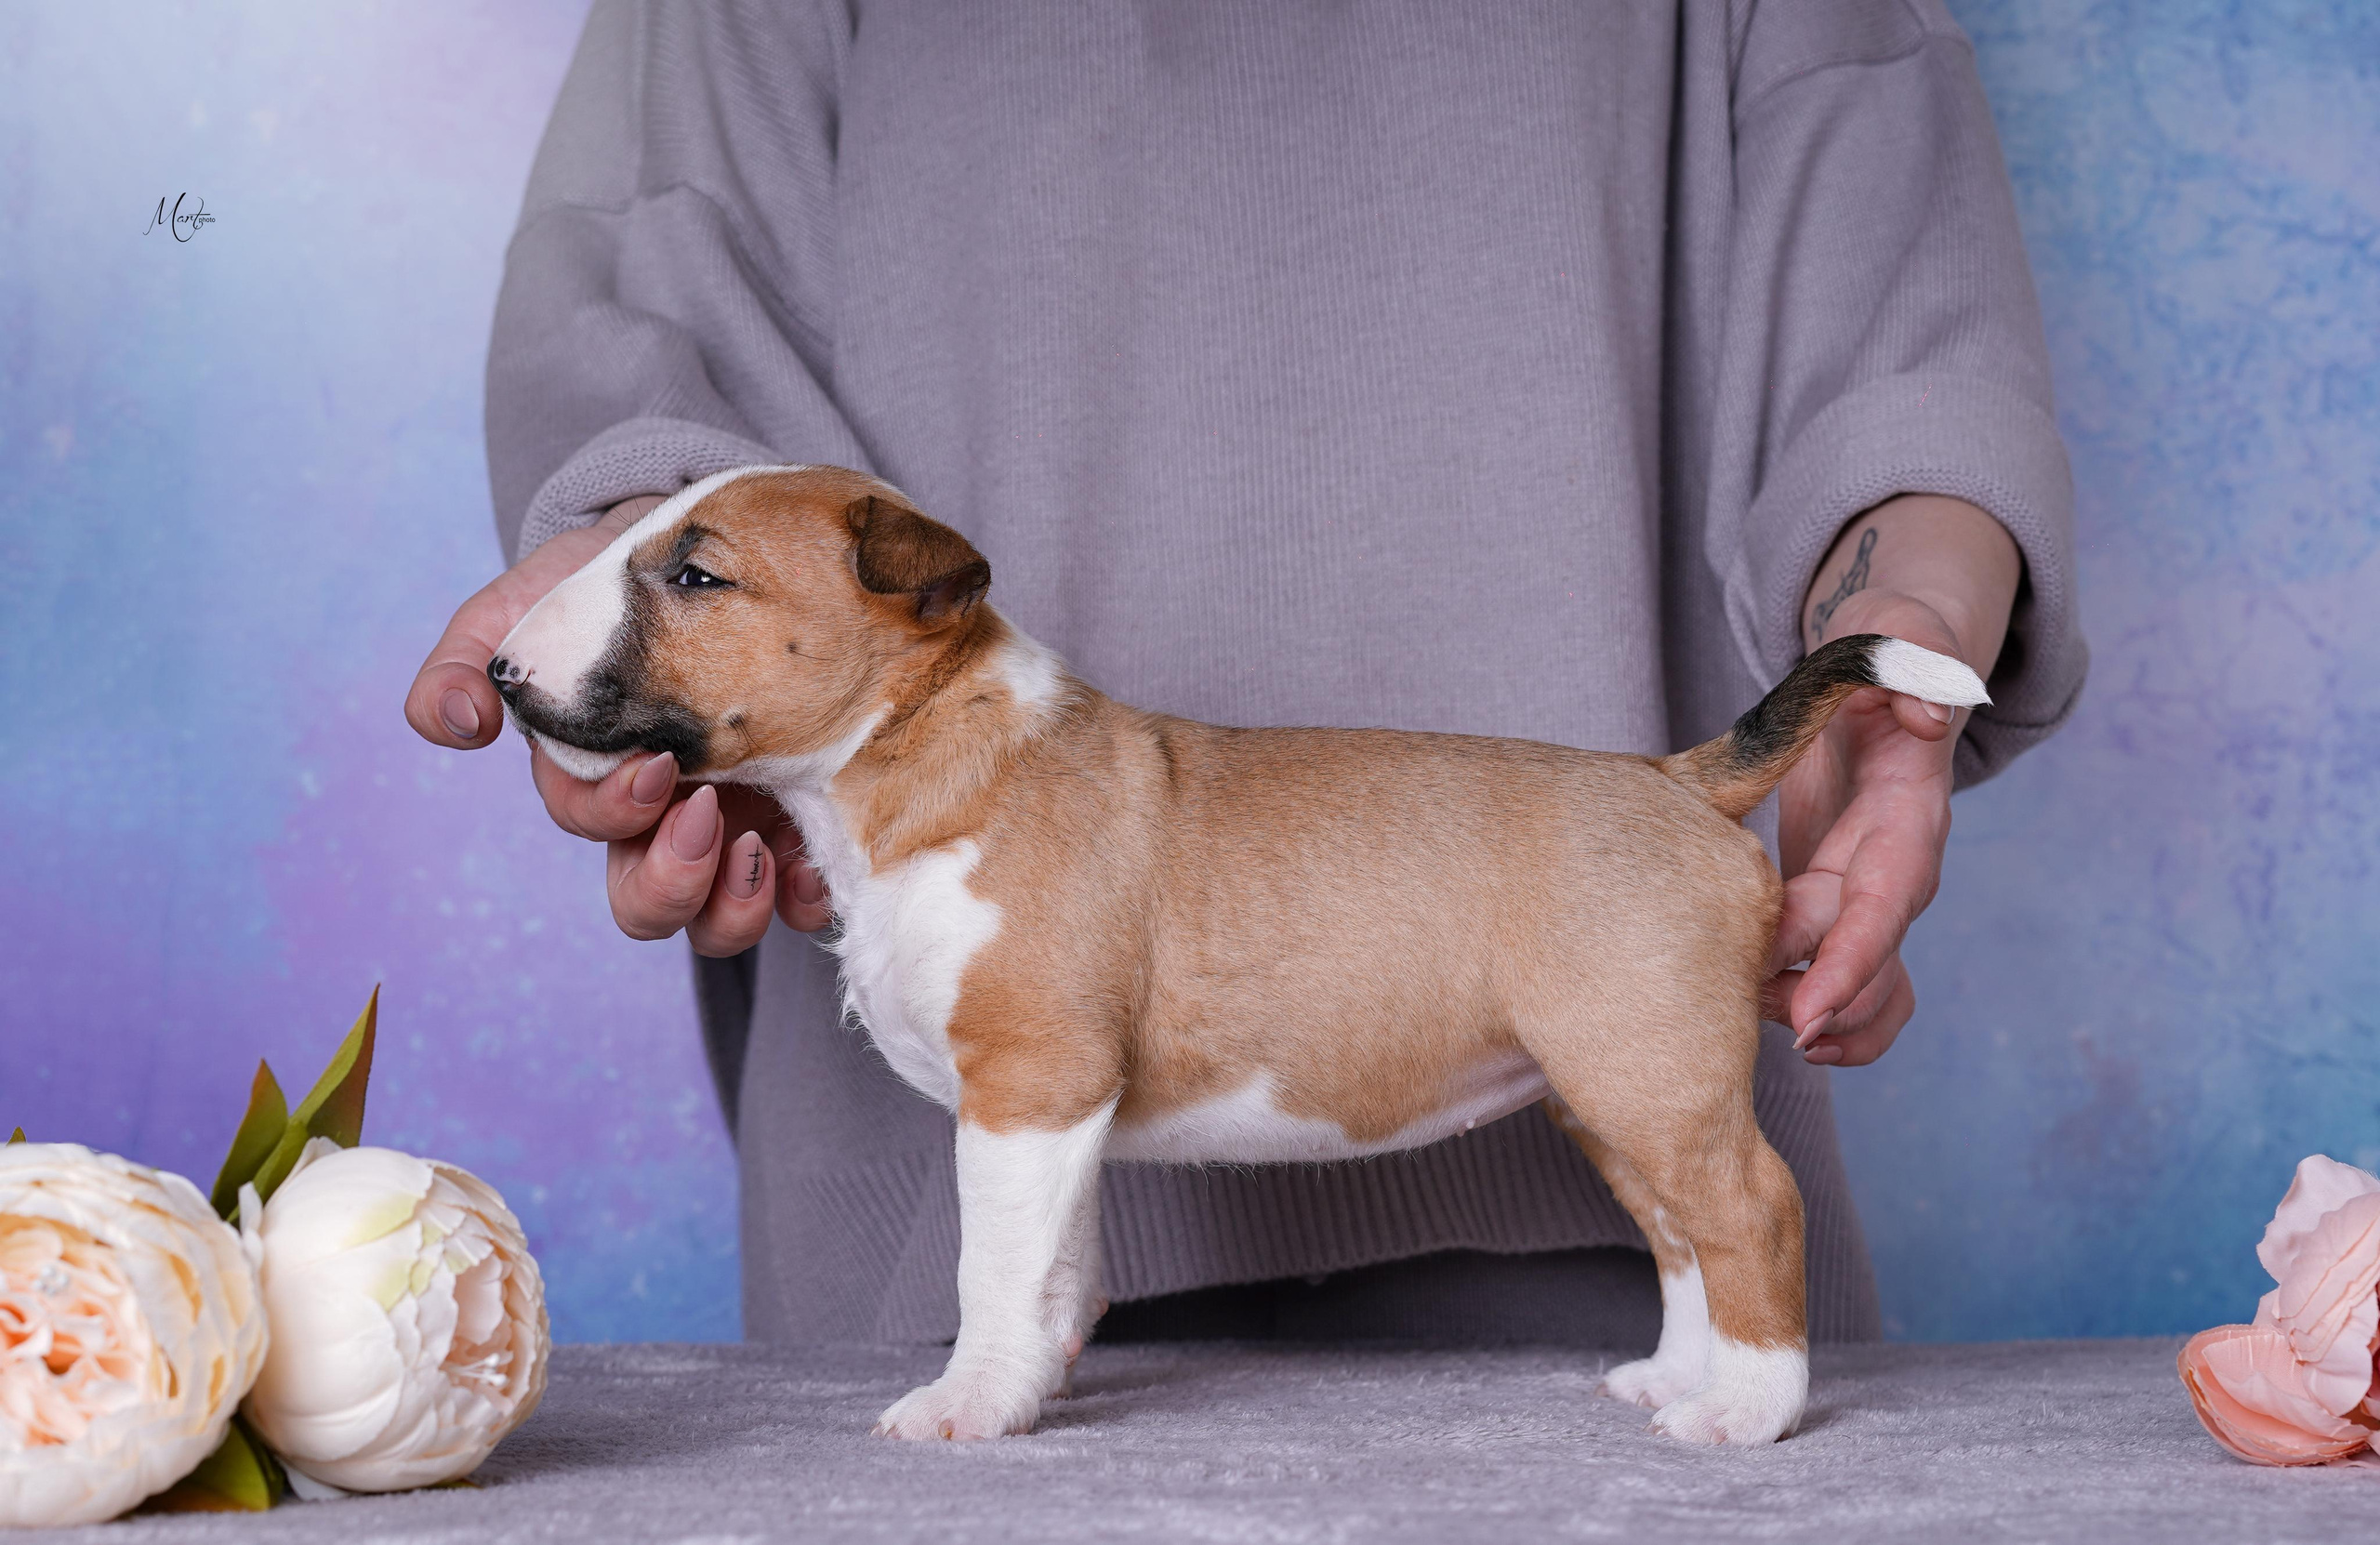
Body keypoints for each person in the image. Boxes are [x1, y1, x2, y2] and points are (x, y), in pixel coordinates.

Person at [406, 1, 2084, 1348]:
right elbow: (652, 269)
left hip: (1585, 1237)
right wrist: (641, 542)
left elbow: (1893, 281)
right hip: (921, 1232)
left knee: (1698, 1258)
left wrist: (1903, 638)